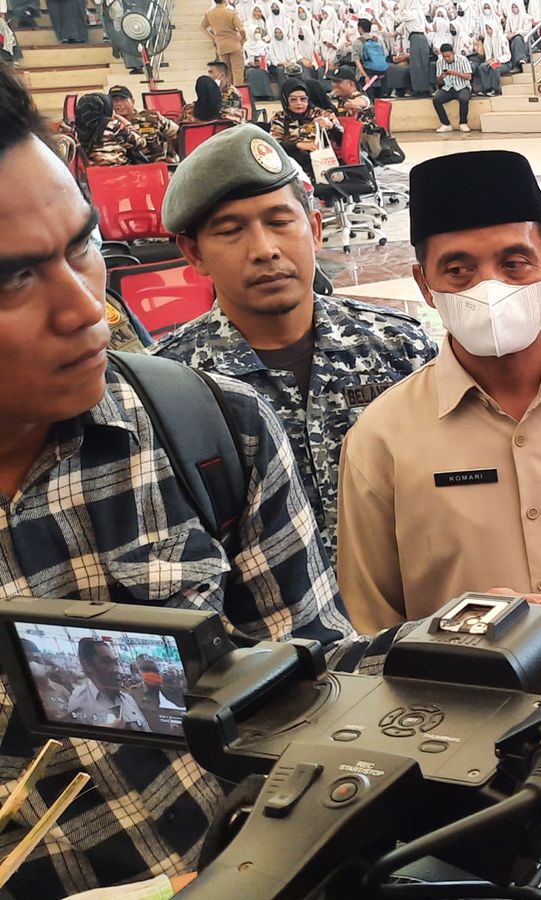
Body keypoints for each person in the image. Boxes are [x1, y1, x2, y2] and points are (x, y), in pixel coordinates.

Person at [0, 66, 363, 897]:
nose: (86, 309)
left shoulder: (207, 428)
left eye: (82, 246)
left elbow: (315, 685)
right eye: (12, 278)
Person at [338, 149, 541, 634]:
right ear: (425, 286)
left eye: (515, 263)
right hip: (463, 685)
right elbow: (373, 624)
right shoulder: (381, 438)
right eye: (458, 271)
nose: (489, 288)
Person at [151, 126, 435, 563]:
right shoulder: (167, 391)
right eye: (231, 231)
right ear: (195, 254)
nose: (264, 250)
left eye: (280, 222)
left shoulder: (400, 349)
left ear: (315, 229)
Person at [64, 638, 152, 732]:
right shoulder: (79, 701)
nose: (117, 670)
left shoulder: (128, 699)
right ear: (88, 666)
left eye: (116, 663)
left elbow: (146, 731)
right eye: (107, 662)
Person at [268, 79, 340, 179]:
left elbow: (343, 140)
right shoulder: (279, 118)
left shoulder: (322, 114)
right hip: (291, 167)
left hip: (321, 165)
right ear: (285, 100)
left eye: (303, 99)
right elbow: (274, 145)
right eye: (293, 99)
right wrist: (298, 145)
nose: (299, 103)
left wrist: (331, 127)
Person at [73, 92, 150, 167]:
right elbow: (140, 142)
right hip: (117, 171)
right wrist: (126, 123)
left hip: (91, 172)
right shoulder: (112, 126)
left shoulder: (75, 129)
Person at [109, 85, 178, 163]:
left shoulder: (151, 117)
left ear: (133, 102)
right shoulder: (110, 124)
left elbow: (176, 132)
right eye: (114, 101)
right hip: (127, 165)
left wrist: (169, 153)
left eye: (122, 100)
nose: (118, 104)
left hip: (156, 163)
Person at [432, 42, 474, 132]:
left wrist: (456, 73)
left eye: (448, 56)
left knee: (463, 99)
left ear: (453, 53)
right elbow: (438, 81)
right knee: (436, 100)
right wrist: (441, 77)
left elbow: (469, 77)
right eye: (444, 56)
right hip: (448, 87)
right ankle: (446, 124)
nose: (446, 58)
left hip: (462, 86)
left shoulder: (462, 59)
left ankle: (463, 123)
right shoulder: (440, 62)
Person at [202, 0, 247, 84]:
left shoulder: (209, 14)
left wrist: (213, 38)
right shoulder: (231, 13)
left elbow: (202, 27)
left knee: (225, 72)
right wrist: (243, 38)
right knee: (238, 72)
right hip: (234, 44)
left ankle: (227, 90)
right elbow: (241, 29)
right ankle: (238, 90)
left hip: (221, 45)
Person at [397, 0, 432, 100]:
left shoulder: (410, 12)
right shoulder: (419, 11)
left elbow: (398, 19)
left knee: (416, 66)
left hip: (415, 38)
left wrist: (388, 10)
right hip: (422, 38)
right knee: (423, 65)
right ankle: (425, 89)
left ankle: (419, 90)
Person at [355, 17, 392, 97]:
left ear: (360, 29)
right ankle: (384, 93)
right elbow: (384, 53)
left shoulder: (357, 42)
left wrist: (365, 76)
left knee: (357, 75)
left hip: (367, 72)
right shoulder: (377, 39)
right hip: (381, 71)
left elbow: (357, 61)